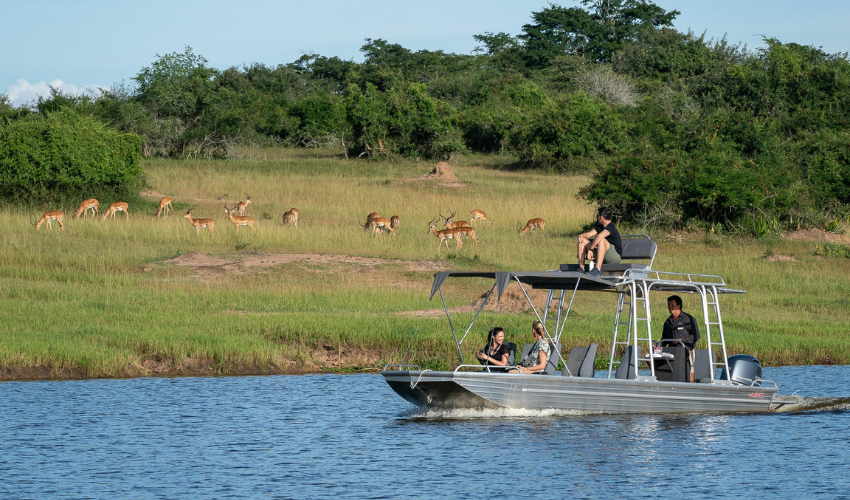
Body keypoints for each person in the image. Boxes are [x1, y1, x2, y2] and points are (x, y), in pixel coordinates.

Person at [660, 295, 701, 382]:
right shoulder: (667, 322)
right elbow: (664, 339)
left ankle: (690, 388)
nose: (669, 308)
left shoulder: (688, 319)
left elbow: (696, 336)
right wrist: (658, 345)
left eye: (672, 305)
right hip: (672, 352)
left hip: (687, 351)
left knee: (689, 370)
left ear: (678, 306)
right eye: (668, 305)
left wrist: (682, 340)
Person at [577, 207, 623, 277]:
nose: (597, 217)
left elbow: (599, 236)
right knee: (582, 241)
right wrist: (580, 236)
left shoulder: (611, 227)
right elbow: (588, 235)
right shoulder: (600, 227)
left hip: (614, 257)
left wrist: (590, 249)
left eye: (597, 216)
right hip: (601, 254)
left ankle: (598, 269)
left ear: (601, 217)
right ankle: (581, 268)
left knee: (601, 240)